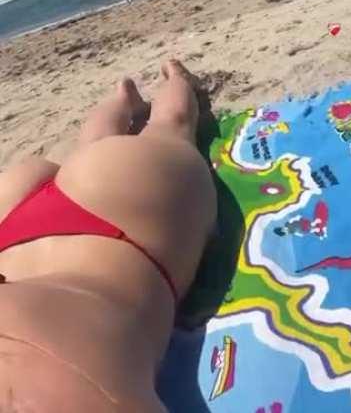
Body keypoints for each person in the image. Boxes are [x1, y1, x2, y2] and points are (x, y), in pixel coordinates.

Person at [0, 60, 217, 411]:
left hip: (119, 238)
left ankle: (168, 82)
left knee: (171, 126)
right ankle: (126, 95)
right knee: (93, 148)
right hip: (12, 228)